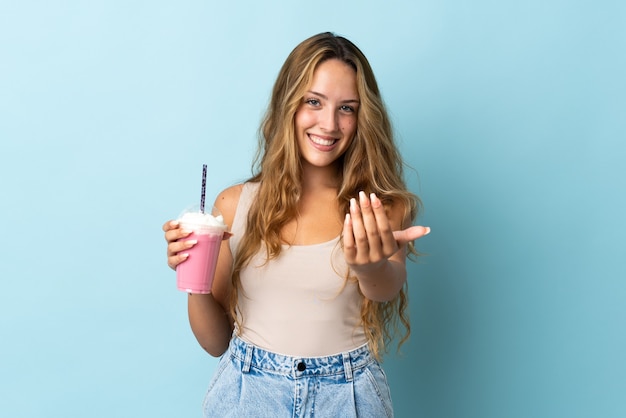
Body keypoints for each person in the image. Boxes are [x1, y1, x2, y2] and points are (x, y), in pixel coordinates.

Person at [163, 32, 430, 417]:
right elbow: (215, 341)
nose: (329, 123)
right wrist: (193, 275)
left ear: (362, 118)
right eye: (314, 102)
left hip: (347, 396)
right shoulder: (236, 204)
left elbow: (385, 287)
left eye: (347, 108)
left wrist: (369, 265)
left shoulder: (378, 208)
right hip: (248, 392)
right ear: (289, 104)